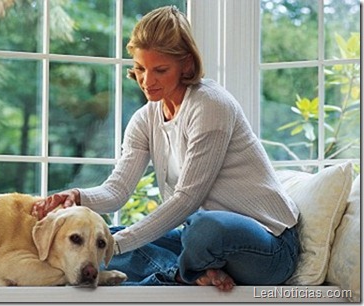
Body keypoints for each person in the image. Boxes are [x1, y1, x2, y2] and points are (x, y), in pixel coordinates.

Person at [33, 5, 300, 291]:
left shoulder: (211, 106)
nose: (147, 81)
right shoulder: (145, 119)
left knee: (200, 229)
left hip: (269, 246)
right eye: (140, 69)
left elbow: (186, 200)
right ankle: (184, 273)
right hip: (198, 245)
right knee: (99, 239)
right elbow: (117, 190)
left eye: (160, 70)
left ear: (186, 64)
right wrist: (78, 196)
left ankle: (179, 271)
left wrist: (113, 247)